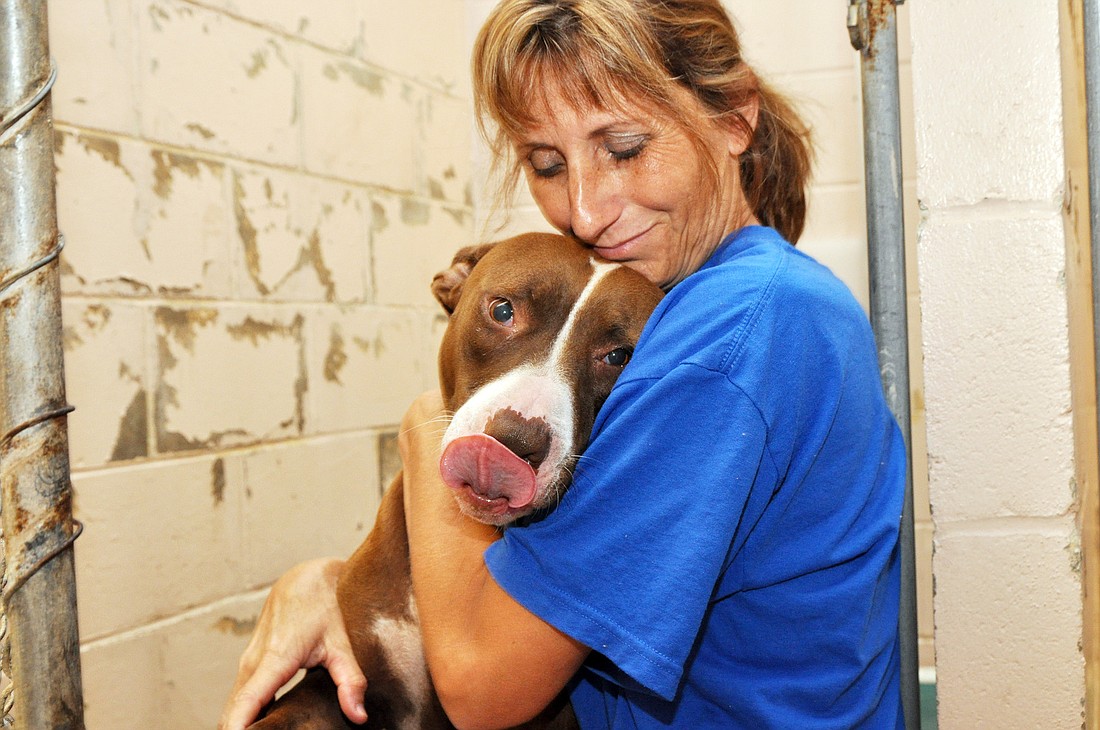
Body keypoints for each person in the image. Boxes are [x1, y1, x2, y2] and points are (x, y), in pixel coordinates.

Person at [220, 0, 906, 727]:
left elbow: (484, 687)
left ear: (735, 118)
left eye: (625, 148)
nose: (583, 210)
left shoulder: (734, 329)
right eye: (546, 164)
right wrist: (328, 580)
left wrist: (427, 423)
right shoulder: (715, 300)